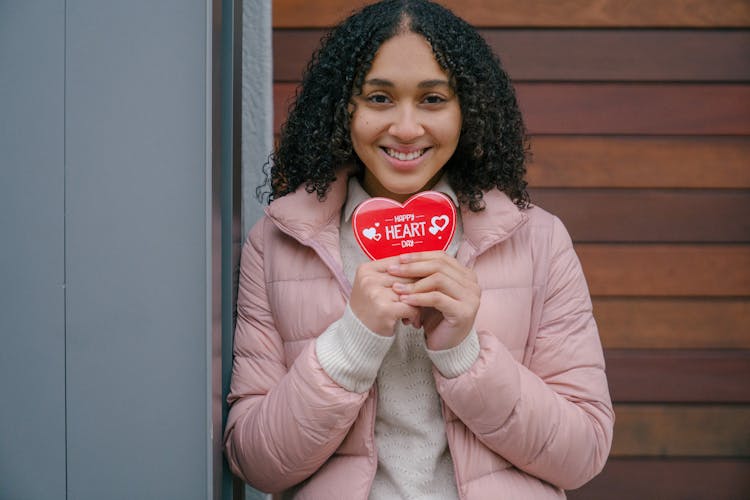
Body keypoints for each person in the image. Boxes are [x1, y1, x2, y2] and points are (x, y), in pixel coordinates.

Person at [224, 0, 614, 498]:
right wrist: (349, 346)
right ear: (344, 107)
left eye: (432, 99)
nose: (406, 129)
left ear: (466, 109)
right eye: (379, 98)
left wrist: (463, 353)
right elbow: (255, 462)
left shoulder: (539, 240)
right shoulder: (276, 244)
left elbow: (583, 454)